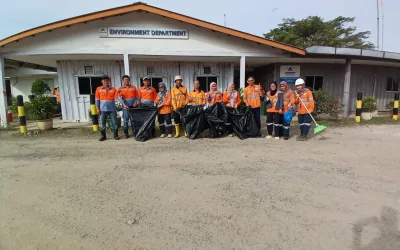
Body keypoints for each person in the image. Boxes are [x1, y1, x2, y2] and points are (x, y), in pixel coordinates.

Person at [95, 75, 120, 141]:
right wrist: (97, 108)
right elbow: (97, 100)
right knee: (102, 123)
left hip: (112, 109)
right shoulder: (98, 89)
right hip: (102, 109)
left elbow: (118, 97)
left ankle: (116, 135)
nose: (106, 82)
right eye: (104, 80)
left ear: (109, 81)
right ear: (102, 81)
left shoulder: (113, 89)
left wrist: (123, 101)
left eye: (107, 80)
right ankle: (103, 136)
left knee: (114, 123)